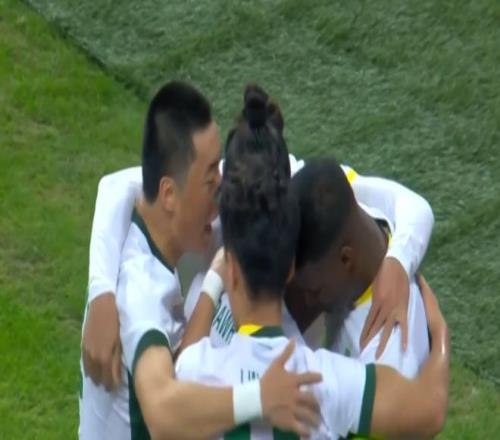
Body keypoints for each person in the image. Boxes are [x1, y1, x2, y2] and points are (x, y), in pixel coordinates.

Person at [82, 85, 434, 389]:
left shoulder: (309, 191)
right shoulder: (242, 189)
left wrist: (399, 260)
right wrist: (101, 294)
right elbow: (118, 186)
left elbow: (413, 207)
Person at [79, 81, 322, 440]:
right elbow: (163, 411)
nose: (222, 190)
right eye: (211, 177)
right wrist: (260, 397)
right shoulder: (139, 287)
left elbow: (116, 184)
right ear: (169, 195)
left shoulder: (143, 233)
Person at [175, 124, 449, 439]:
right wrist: (441, 334)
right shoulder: (326, 380)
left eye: (312, 290)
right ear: (289, 269)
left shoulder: (197, 365)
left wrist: (213, 280)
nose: (303, 300)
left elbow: (178, 378)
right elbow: (430, 412)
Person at [285, 158, 430, 377]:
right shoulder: (352, 204)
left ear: (346, 259)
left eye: (315, 290)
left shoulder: (386, 353)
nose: (309, 301)